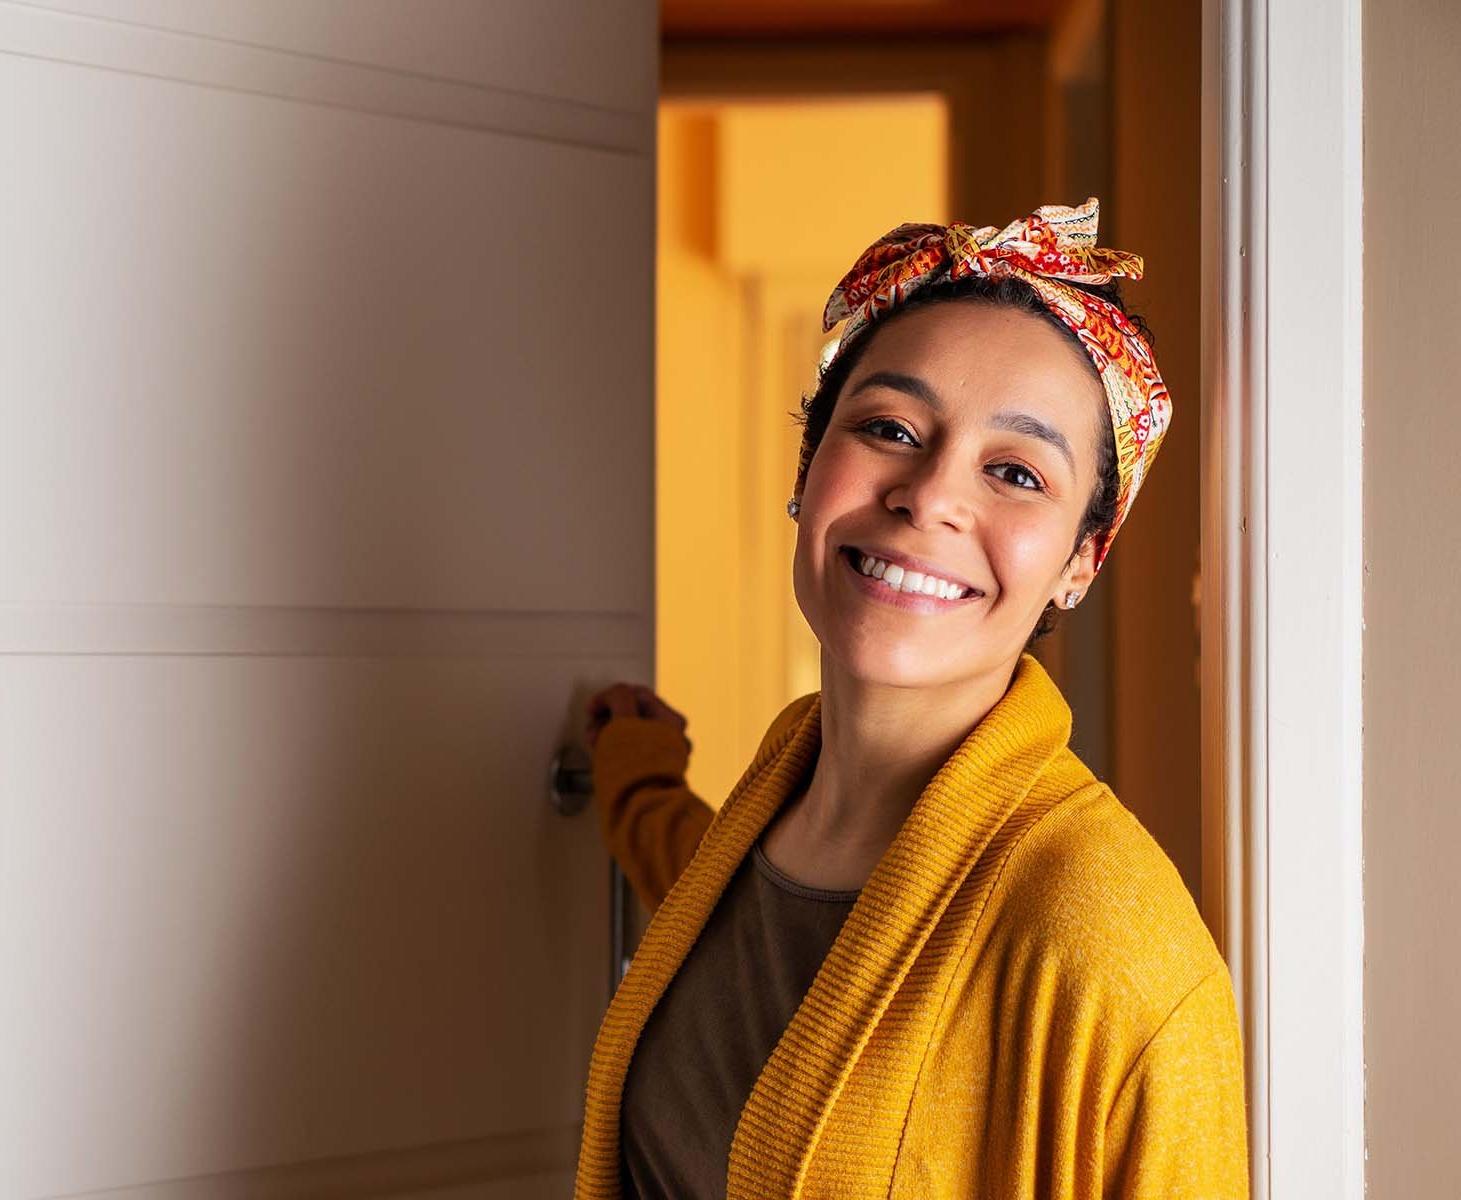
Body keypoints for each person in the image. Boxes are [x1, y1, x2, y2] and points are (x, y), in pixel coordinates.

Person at [573, 198, 1250, 1200]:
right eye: (890, 427)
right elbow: (726, 911)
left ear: (1079, 561)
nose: (931, 494)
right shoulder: (777, 802)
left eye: (1016, 472)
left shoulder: (1109, 947)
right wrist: (635, 771)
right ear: (809, 471)